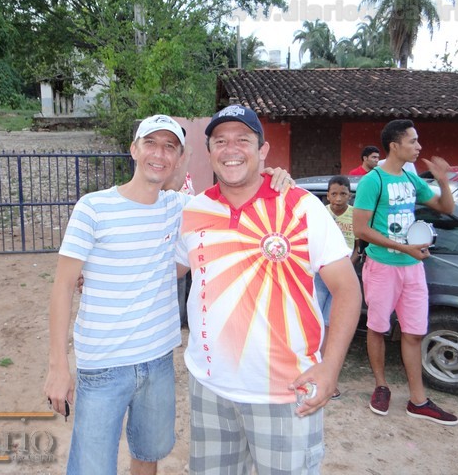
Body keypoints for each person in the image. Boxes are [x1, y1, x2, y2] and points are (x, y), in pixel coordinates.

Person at [47, 114, 293, 475]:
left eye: (169, 147)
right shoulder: (93, 207)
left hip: (159, 360)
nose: (159, 154)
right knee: (91, 467)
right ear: (134, 149)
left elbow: (233, 198)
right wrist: (57, 366)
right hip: (102, 364)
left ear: (179, 158)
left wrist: (274, 176)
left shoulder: (182, 208)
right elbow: (63, 285)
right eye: (150, 143)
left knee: (149, 455)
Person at [175, 105, 362, 474]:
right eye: (220, 141)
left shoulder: (302, 207)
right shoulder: (195, 210)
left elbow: (347, 290)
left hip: (285, 393)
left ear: (262, 150)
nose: (231, 149)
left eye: (243, 140)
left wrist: (330, 368)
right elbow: (170, 270)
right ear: (209, 153)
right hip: (209, 388)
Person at [353, 119, 458, 426]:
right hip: (382, 267)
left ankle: (418, 400)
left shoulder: (412, 180)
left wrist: (442, 181)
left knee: (414, 332)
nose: (419, 146)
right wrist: (403, 248)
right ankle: (381, 386)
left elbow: (446, 208)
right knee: (377, 328)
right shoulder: (373, 180)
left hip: (413, 269)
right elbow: (360, 229)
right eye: (413, 141)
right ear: (394, 146)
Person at [314, 175, 360, 399]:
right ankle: (313, 365)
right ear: (328, 196)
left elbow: (357, 247)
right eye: (334, 194)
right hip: (319, 275)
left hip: (342, 278)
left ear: (350, 195)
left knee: (331, 322)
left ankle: (326, 370)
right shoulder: (320, 213)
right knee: (315, 319)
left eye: (343, 194)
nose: (338, 198)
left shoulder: (354, 215)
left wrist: (347, 268)